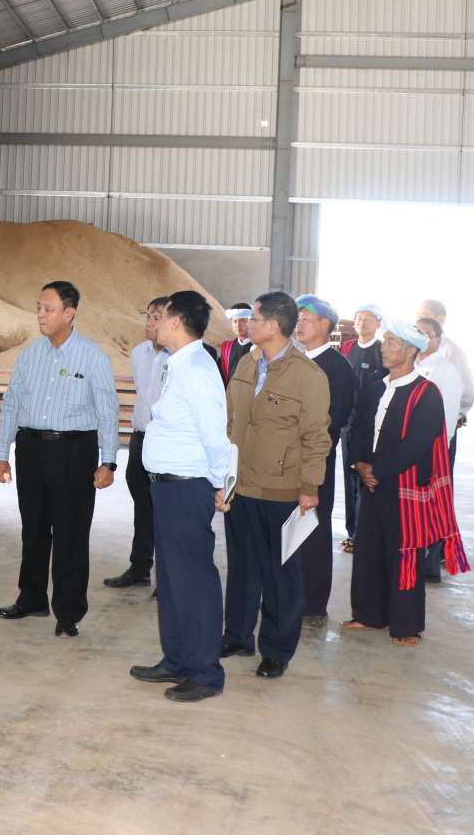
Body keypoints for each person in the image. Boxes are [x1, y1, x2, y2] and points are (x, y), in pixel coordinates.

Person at [0, 281, 121, 638]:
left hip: (73, 452)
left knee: (70, 533)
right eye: (39, 307)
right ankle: (31, 597)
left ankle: (68, 612)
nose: (41, 315)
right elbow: (11, 405)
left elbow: (107, 411)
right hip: (31, 449)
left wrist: (108, 461)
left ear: (69, 313)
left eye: (48, 309)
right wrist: (1, 454)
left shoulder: (92, 357)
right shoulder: (29, 355)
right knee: (33, 529)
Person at [128, 291, 238, 703]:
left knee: (194, 581)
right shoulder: (178, 364)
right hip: (167, 487)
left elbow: (215, 436)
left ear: (176, 322)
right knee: (172, 580)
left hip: (187, 488)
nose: (154, 322)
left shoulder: (197, 369)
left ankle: (206, 673)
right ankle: (176, 659)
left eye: (161, 316)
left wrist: (222, 485)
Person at [221, 291, 331, 679]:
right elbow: (232, 421)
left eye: (253, 318)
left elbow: (317, 437)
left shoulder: (308, 376)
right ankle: (237, 635)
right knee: (242, 568)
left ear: (272, 325)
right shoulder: (246, 362)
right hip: (241, 484)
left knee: (280, 575)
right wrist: (223, 477)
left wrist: (309, 487)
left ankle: (277, 649)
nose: (247, 324)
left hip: (282, 490)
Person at [344, 321, 470, 646]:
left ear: (412, 350)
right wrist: (361, 464)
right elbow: (357, 428)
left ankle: (405, 625)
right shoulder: (374, 389)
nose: (384, 348)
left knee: (404, 554)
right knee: (368, 550)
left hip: (404, 486)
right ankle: (369, 614)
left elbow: (418, 443)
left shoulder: (426, 393)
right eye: (384, 342)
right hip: (372, 482)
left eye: (391, 343)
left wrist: (379, 471)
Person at [293, 294, 356, 626]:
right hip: (288, 462)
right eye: (298, 319)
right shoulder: (296, 360)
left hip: (316, 461)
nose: (299, 325)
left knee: (314, 529)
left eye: (306, 319)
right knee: (292, 528)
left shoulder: (337, 367)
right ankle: (291, 594)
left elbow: (333, 420)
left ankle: (314, 603)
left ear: (325, 324)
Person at [105, 297, 170, 589]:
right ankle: (140, 567)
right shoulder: (138, 353)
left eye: (157, 317)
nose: (150, 323)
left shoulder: (178, 358)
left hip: (166, 443)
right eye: (148, 316)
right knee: (142, 506)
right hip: (140, 439)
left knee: (166, 509)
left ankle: (167, 578)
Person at [414, 316, 467, 583]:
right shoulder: (412, 365)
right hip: (411, 450)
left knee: (433, 505)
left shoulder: (445, 370)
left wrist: (436, 451)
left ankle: (430, 564)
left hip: (432, 450)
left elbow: (446, 415)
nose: (422, 338)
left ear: (438, 340)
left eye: (427, 334)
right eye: (417, 332)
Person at [341, 304, 387, 554]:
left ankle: (363, 533)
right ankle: (352, 532)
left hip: (372, 426)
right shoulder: (347, 349)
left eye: (369, 318)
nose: (362, 322)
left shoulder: (382, 351)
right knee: (349, 481)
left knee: (366, 479)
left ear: (378, 323)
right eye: (359, 318)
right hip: (348, 424)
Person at [417, 299, 474, 456]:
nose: (420, 320)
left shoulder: (451, 351)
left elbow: (468, 391)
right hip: (415, 430)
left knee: (440, 466)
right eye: (418, 316)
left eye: (424, 315)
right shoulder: (412, 349)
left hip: (442, 429)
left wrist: (458, 414)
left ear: (441, 319)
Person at [217, 303, 253, 385]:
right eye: (235, 321)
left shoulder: (260, 347)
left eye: (243, 321)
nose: (238, 325)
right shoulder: (227, 347)